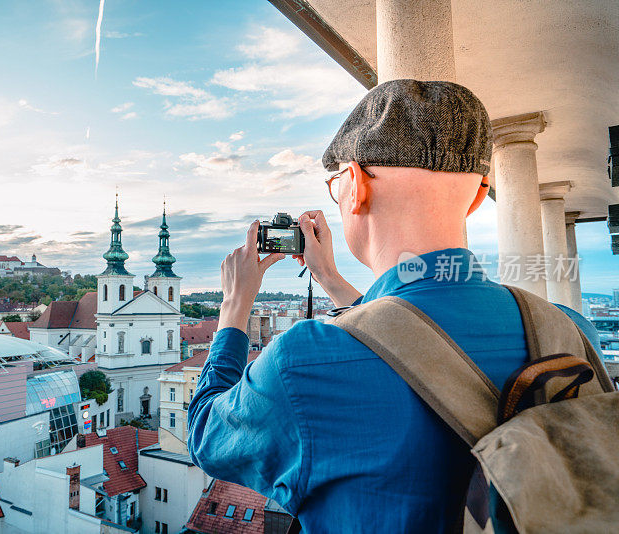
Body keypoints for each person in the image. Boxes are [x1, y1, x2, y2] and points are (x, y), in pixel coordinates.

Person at [186, 79, 602, 533]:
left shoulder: (302, 362)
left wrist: (234, 309)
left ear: (356, 186)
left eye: (336, 187)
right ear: (479, 196)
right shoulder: (571, 333)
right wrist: (329, 278)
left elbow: (208, 436)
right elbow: (407, 338)